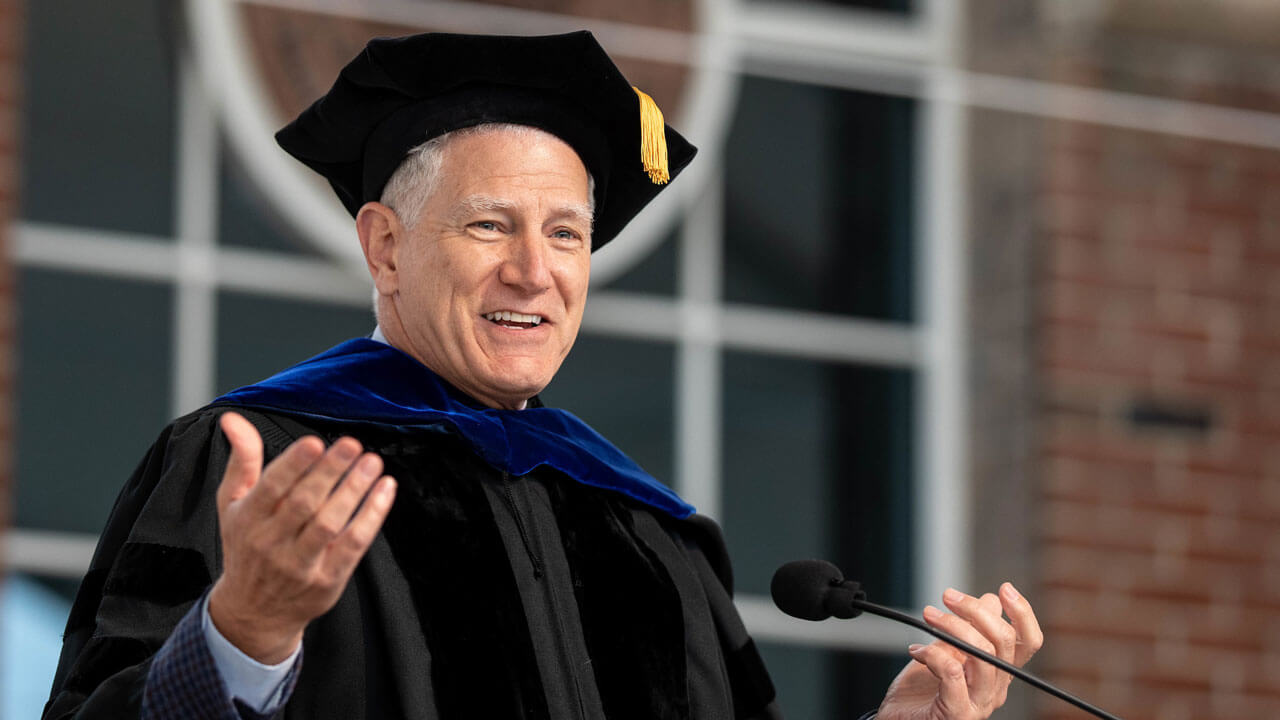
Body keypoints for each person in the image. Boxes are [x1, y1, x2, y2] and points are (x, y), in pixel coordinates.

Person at [44, 31, 1042, 720]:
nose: (535, 271)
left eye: (565, 234)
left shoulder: (651, 536)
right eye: (490, 225)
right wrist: (242, 633)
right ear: (385, 247)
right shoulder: (254, 467)